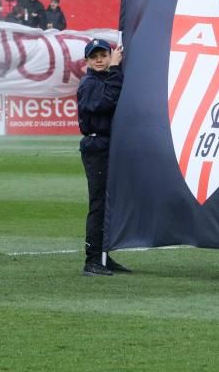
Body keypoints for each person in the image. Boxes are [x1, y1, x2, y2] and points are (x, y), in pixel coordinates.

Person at [76, 39, 131, 276]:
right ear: (87, 60)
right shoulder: (89, 83)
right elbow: (105, 103)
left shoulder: (101, 79)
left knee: (108, 205)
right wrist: (117, 70)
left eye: (103, 55)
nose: (99, 60)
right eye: (94, 56)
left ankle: (103, 256)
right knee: (99, 205)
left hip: (107, 144)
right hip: (97, 145)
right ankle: (93, 260)